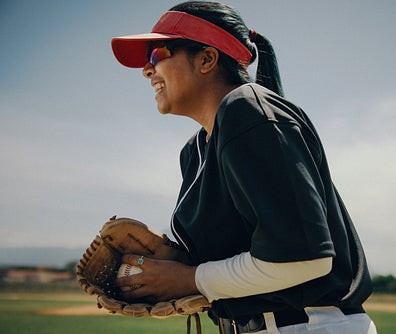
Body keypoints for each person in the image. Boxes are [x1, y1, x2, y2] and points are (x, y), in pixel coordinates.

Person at [111, 2, 377, 333]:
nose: (147, 70)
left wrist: (187, 278)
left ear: (207, 59)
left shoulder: (247, 109)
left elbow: (303, 257)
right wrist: (171, 267)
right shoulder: (194, 152)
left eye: (157, 54)